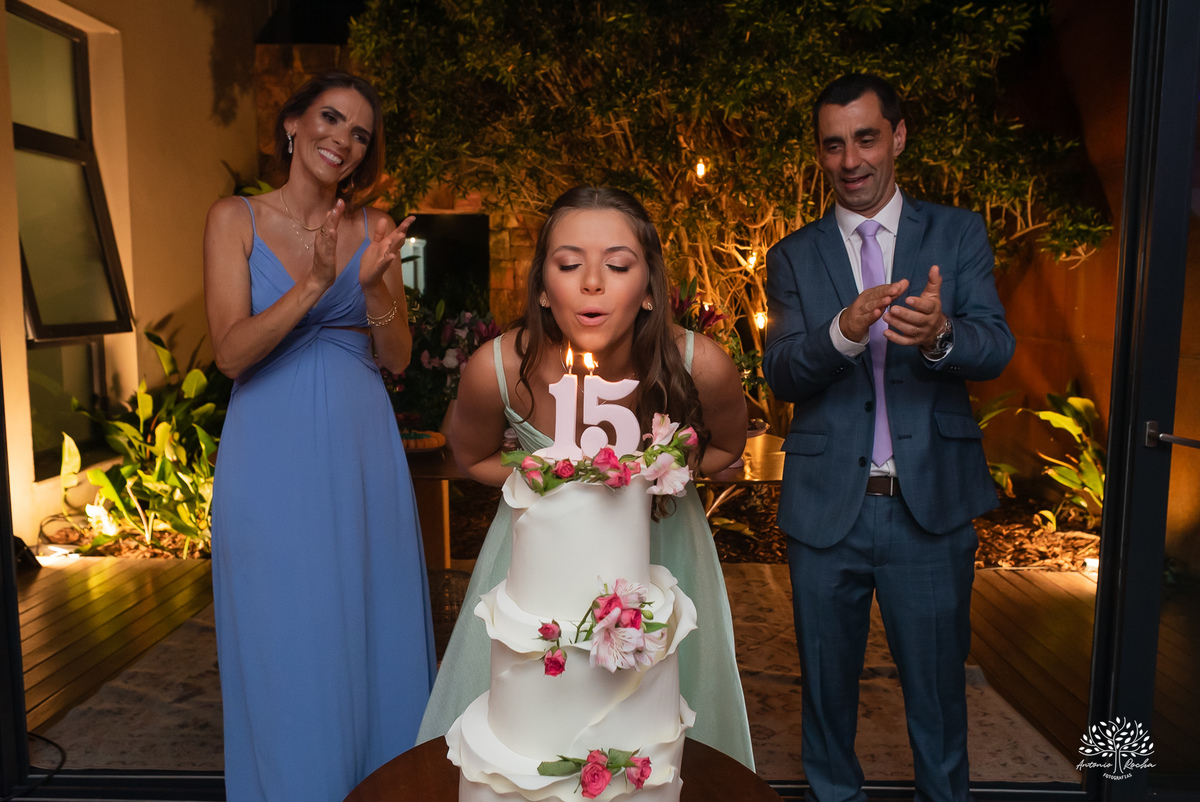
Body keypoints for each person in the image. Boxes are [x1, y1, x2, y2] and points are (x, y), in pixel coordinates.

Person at [416, 186, 757, 769]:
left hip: (664, 551)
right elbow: (471, 457)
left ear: (649, 289)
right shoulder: (497, 368)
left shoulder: (701, 363)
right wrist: (546, 473)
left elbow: (728, 444)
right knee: (524, 741)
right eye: (569, 264)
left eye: (618, 266)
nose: (592, 283)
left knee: (658, 738)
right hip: (536, 565)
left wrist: (663, 469)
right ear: (543, 288)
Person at [762, 73, 1014, 802]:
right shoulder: (792, 255)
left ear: (897, 137)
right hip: (825, 511)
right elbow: (781, 371)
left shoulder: (957, 234)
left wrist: (941, 334)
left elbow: (996, 347)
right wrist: (841, 332)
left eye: (866, 139)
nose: (851, 160)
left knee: (939, 700)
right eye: (833, 145)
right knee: (825, 699)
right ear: (820, 153)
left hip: (928, 507)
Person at [204, 71, 436, 801]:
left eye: (360, 133)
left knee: (371, 623)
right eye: (331, 118)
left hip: (360, 451)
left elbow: (396, 358)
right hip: (268, 456)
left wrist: (371, 287)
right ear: (293, 124)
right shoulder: (234, 219)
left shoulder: (375, 227)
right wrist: (311, 284)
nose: (343, 139)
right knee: (284, 629)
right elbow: (231, 355)